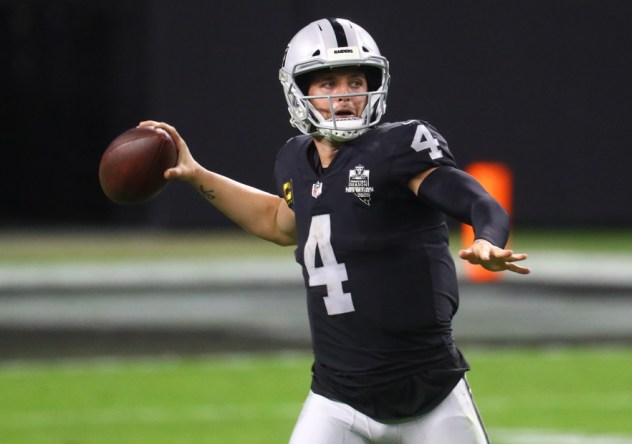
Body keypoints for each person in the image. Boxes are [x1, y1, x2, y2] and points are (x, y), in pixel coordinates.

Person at [142, 17, 529, 444]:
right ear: (299, 91)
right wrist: (196, 175)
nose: (345, 94)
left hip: (431, 393)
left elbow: (477, 201)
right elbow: (278, 222)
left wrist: (488, 238)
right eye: (327, 84)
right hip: (337, 397)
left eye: (355, 80)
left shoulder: (399, 147)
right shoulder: (294, 160)